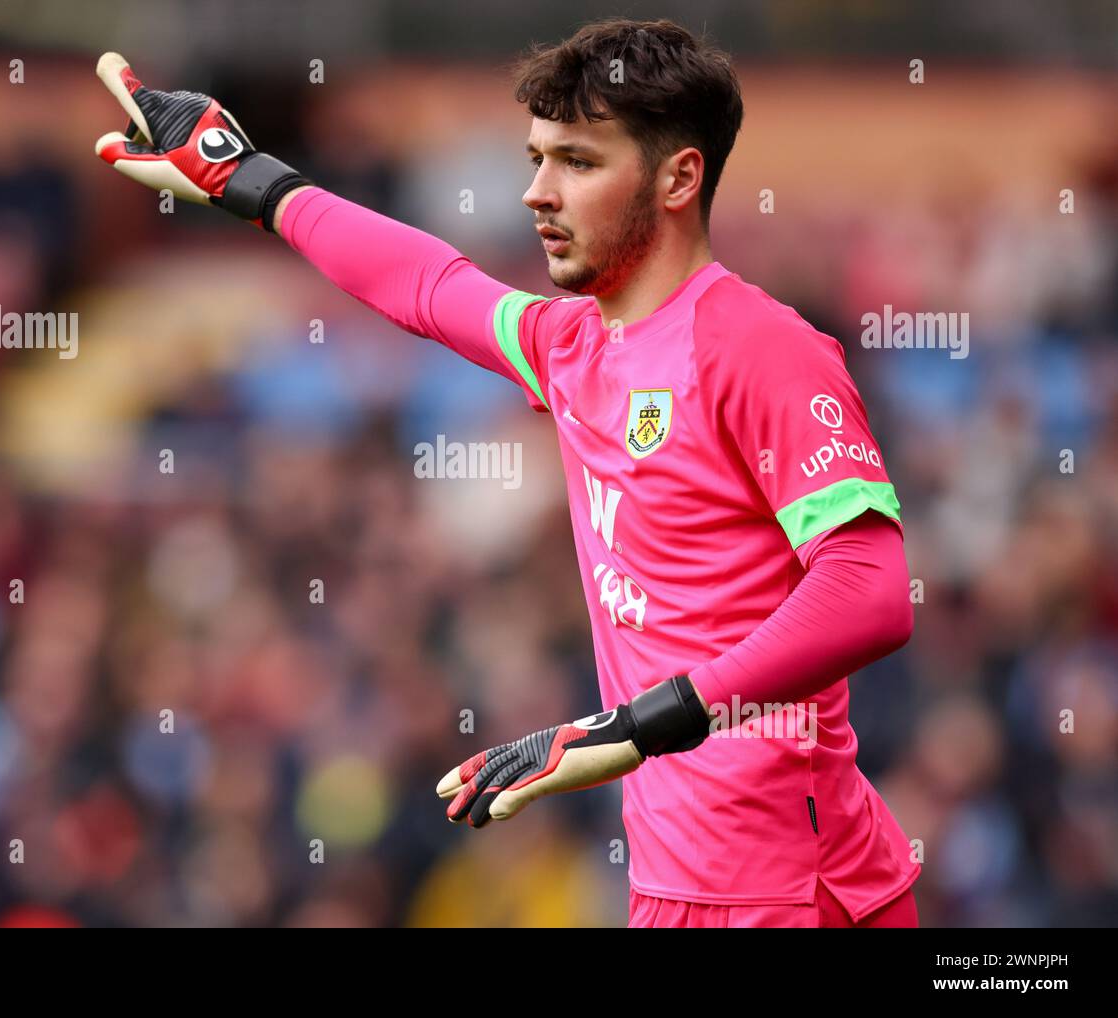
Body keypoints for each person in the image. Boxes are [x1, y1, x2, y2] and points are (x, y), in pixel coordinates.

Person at [93, 16, 920, 929]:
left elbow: (870, 591)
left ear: (680, 177)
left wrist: (636, 729)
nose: (537, 192)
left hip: (796, 891)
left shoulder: (757, 346)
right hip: (674, 885)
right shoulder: (573, 346)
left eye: (578, 161)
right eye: (536, 158)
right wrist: (253, 180)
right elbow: (426, 283)